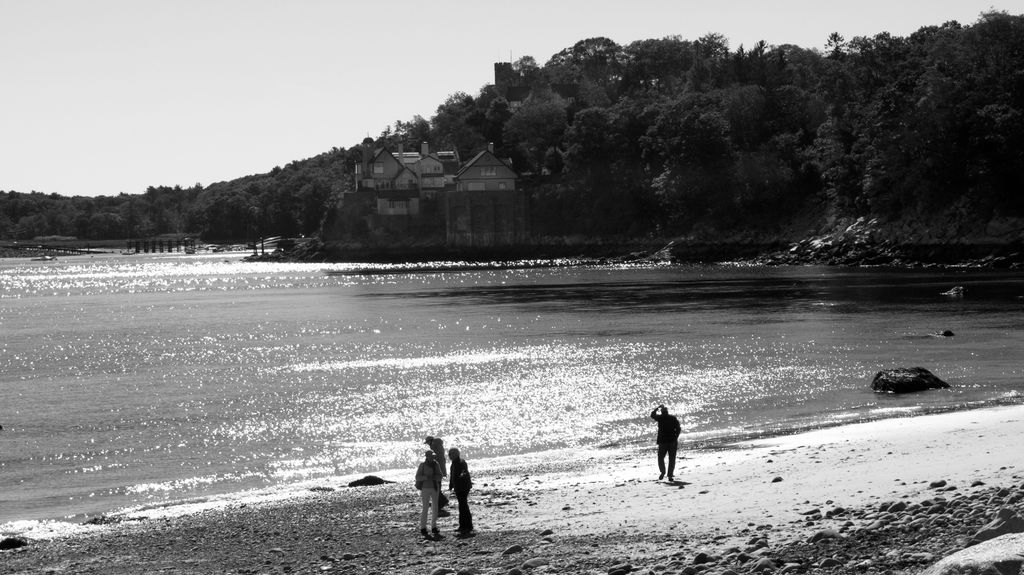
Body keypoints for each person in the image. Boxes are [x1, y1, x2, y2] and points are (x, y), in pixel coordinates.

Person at [415, 450, 444, 537]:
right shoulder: (422, 465)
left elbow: (440, 476)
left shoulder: (436, 464)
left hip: (435, 488)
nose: (433, 457)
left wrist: (435, 477)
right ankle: (423, 528)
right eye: (431, 456)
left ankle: (433, 527)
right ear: (427, 456)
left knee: (435, 507)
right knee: (425, 508)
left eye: (433, 456)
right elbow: (417, 477)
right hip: (425, 488)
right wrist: (426, 477)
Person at [650, 404, 681, 481]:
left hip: (663, 442)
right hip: (672, 441)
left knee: (660, 457)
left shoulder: (660, 418)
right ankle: (670, 475)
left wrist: (657, 408)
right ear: (667, 412)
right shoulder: (673, 418)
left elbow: (652, 415)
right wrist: (676, 437)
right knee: (672, 458)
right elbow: (678, 428)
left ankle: (663, 471)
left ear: (662, 412)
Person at [447, 447, 474, 534]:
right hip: (458, 487)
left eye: (451, 454)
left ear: (456, 454)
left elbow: (464, 472)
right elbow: (452, 475)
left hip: (463, 486)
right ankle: (463, 525)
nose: (449, 456)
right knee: (462, 505)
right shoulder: (454, 463)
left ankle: (467, 525)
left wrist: (461, 476)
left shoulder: (461, 462)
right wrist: (451, 485)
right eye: (449, 454)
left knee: (463, 505)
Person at [424, 436, 450, 513]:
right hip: (440, 471)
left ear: (430, 441)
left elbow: (435, 461)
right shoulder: (438, 447)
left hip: (437, 473)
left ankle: (442, 502)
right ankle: (439, 503)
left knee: (436, 488)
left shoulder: (435, 449)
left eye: (428, 443)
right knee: (436, 487)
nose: (428, 445)